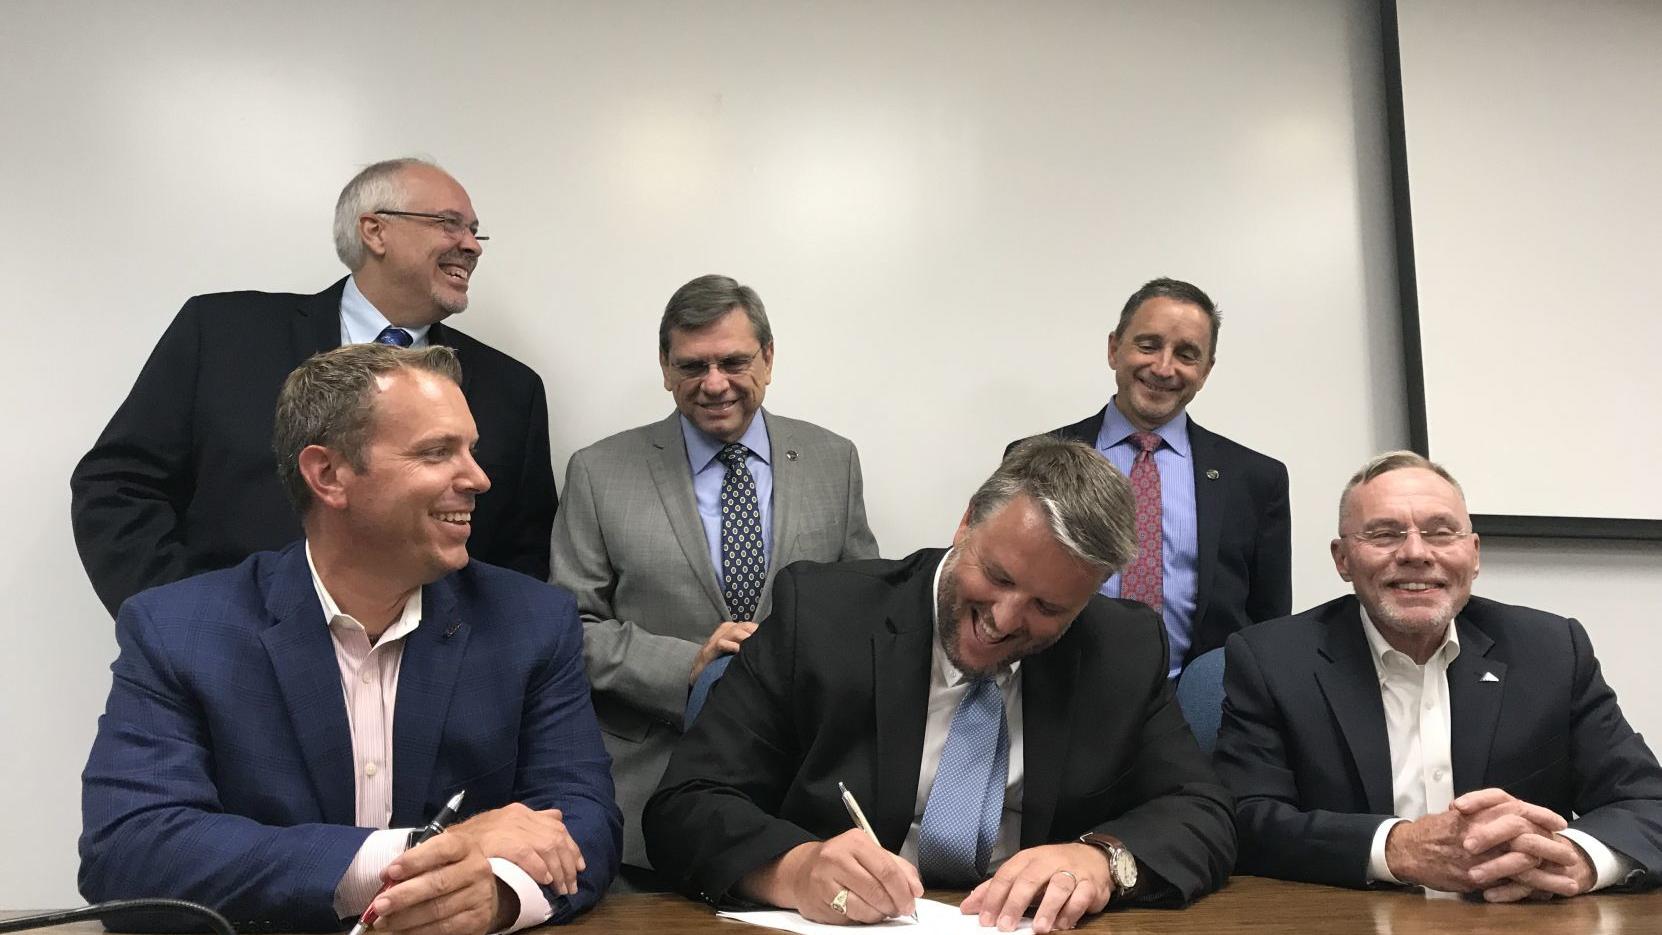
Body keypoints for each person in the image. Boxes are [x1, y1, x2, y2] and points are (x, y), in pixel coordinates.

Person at [79, 344, 620, 932]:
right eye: (437, 452)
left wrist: (495, 896)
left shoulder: (530, 621)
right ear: (328, 475)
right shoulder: (178, 630)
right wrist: (421, 852)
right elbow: (130, 851)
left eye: (471, 450)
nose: (479, 478)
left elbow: (583, 820)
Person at [644, 438, 1234, 934]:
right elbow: (686, 804)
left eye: (1048, 607)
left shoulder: (1122, 648)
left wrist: (1103, 861)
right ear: (967, 521)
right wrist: (794, 871)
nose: (1003, 619)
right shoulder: (820, 616)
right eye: (997, 576)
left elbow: (1202, 811)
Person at [71, 157, 556, 618]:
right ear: (375, 230)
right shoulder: (222, 336)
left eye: (474, 230)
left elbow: (523, 556)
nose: (472, 246)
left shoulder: (513, 391)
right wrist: (185, 624)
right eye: (449, 224)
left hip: (433, 669)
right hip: (229, 658)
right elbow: (118, 488)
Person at [1214, 451, 1662, 898]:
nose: (1415, 553)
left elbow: (1646, 802)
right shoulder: (1273, 659)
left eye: (1441, 532)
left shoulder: (1551, 651)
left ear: (1474, 553)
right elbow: (1247, 818)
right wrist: (1395, 848)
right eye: (1384, 534)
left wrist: (1578, 859)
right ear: (1343, 559)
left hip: (1516, 918)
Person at [550, 273, 879, 880]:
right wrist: (689, 665)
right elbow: (570, 628)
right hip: (645, 798)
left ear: (769, 358)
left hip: (798, 798)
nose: (715, 383)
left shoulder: (834, 460)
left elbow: (865, 616)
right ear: (665, 368)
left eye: (733, 361)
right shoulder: (598, 472)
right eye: (692, 365)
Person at [1008, 278, 1289, 676]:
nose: (1163, 367)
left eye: (1186, 354)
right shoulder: (1034, 459)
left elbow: (1270, 626)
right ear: (1114, 349)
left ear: (1205, 371)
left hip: (1200, 703)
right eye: (1148, 345)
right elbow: (1007, 586)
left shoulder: (1256, 480)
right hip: (1062, 693)